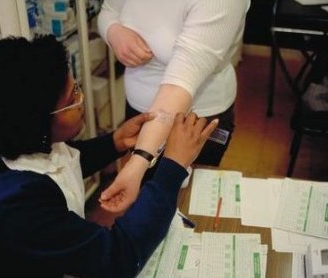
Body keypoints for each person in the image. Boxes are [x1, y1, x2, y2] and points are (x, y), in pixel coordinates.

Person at [0, 35, 218, 277]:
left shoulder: (5, 137)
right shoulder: (16, 206)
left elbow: (58, 163)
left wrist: (113, 143)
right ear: (38, 122)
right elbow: (119, 259)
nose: (82, 99)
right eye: (73, 96)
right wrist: (173, 166)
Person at [97, 0, 250, 212]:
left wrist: (138, 161)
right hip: (140, 106)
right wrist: (113, 32)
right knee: (148, 199)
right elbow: (110, 10)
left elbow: (178, 84)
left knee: (188, 205)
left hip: (197, 116)